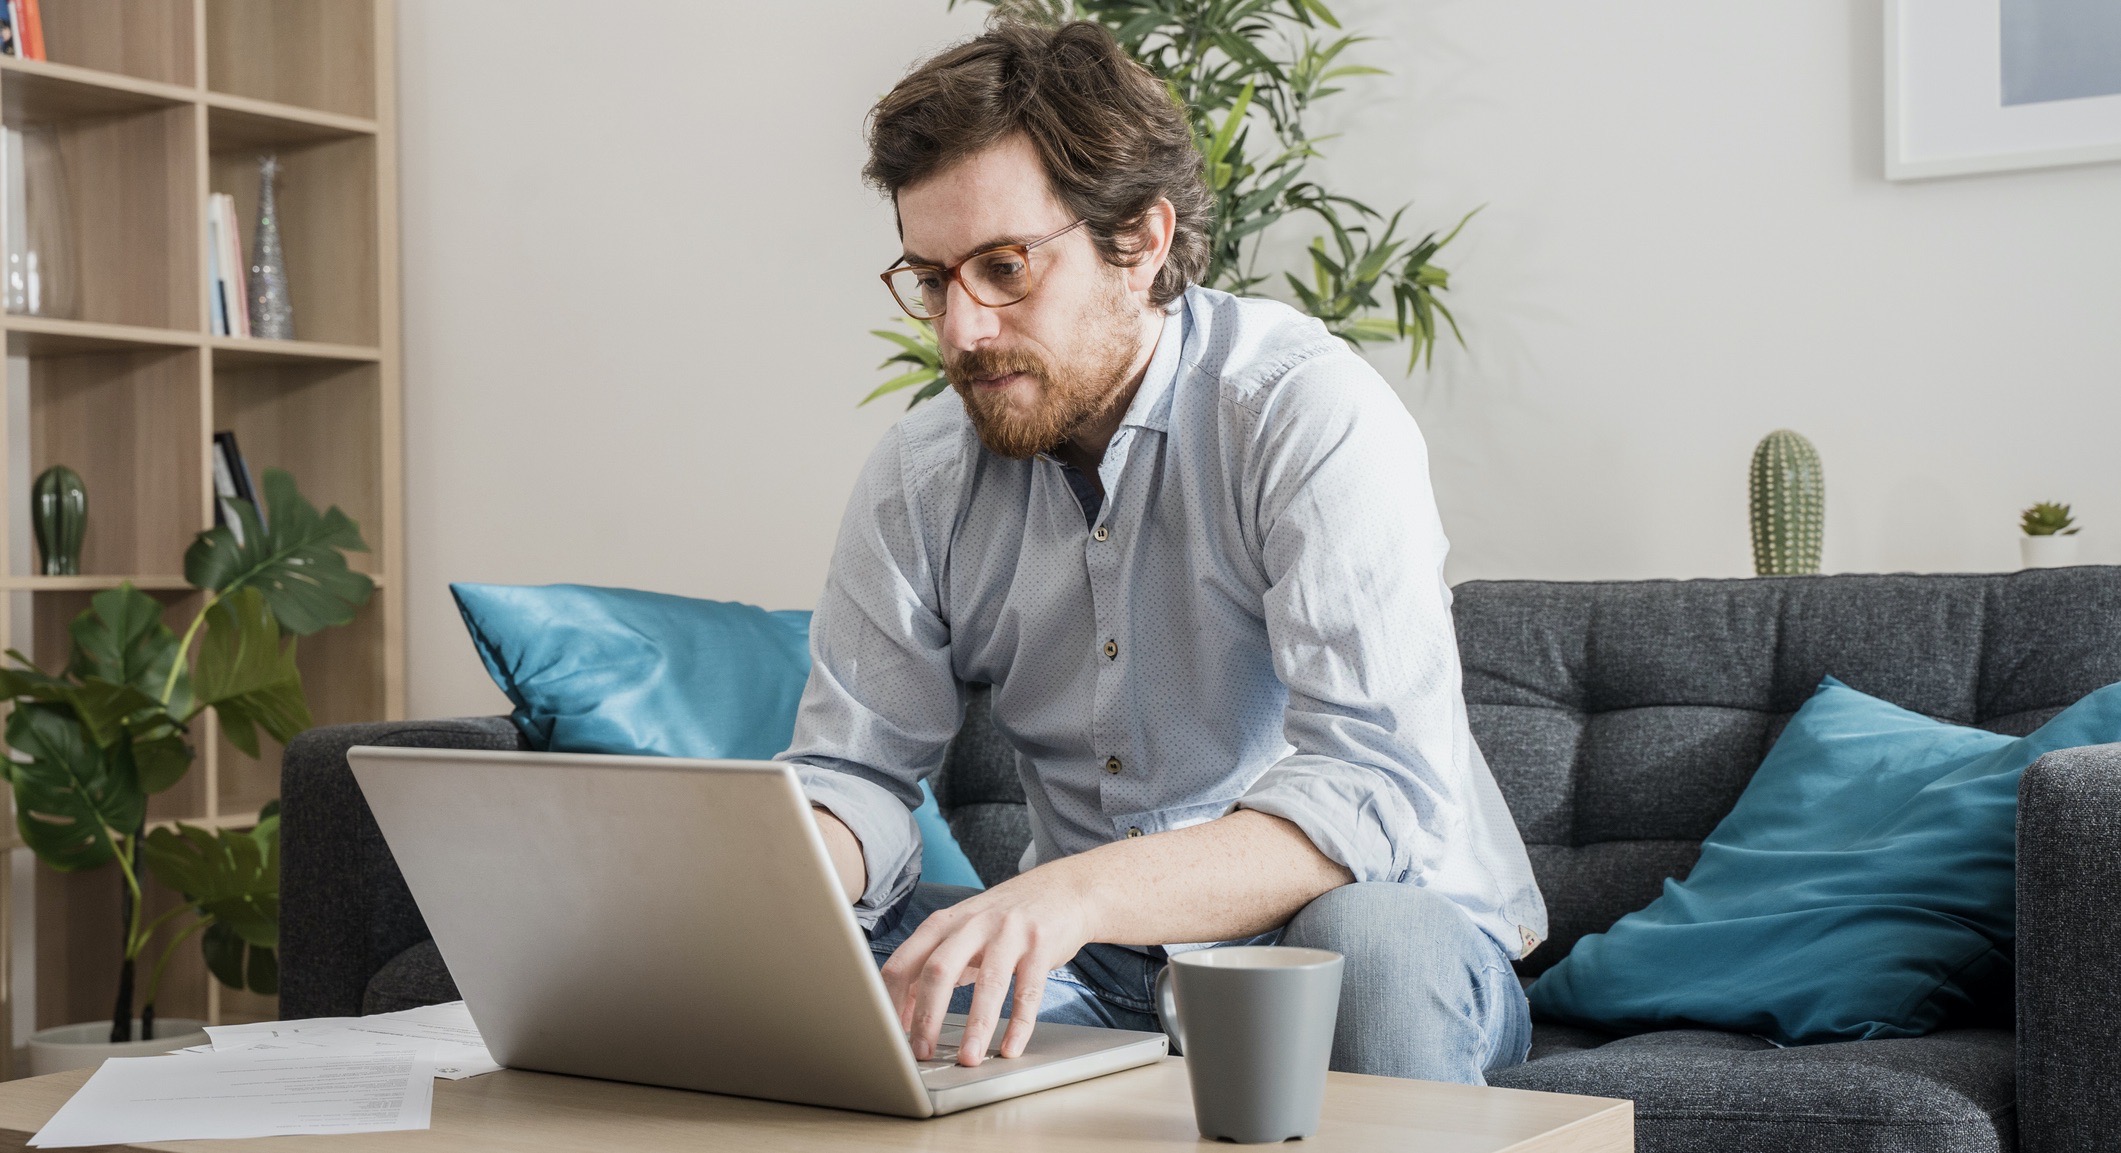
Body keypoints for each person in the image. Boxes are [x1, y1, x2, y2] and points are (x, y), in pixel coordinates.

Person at [777, 19, 1545, 1084]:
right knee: (842, 974)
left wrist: (1070, 892)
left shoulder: (1303, 412)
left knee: (1373, 944)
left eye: (1003, 268)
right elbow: (854, 768)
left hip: (1353, 933)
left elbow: (1369, 791)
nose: (959, 331)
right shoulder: (922, 475)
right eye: (931, 278)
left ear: (1138, 239)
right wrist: (781, 875)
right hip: (1098, 965)